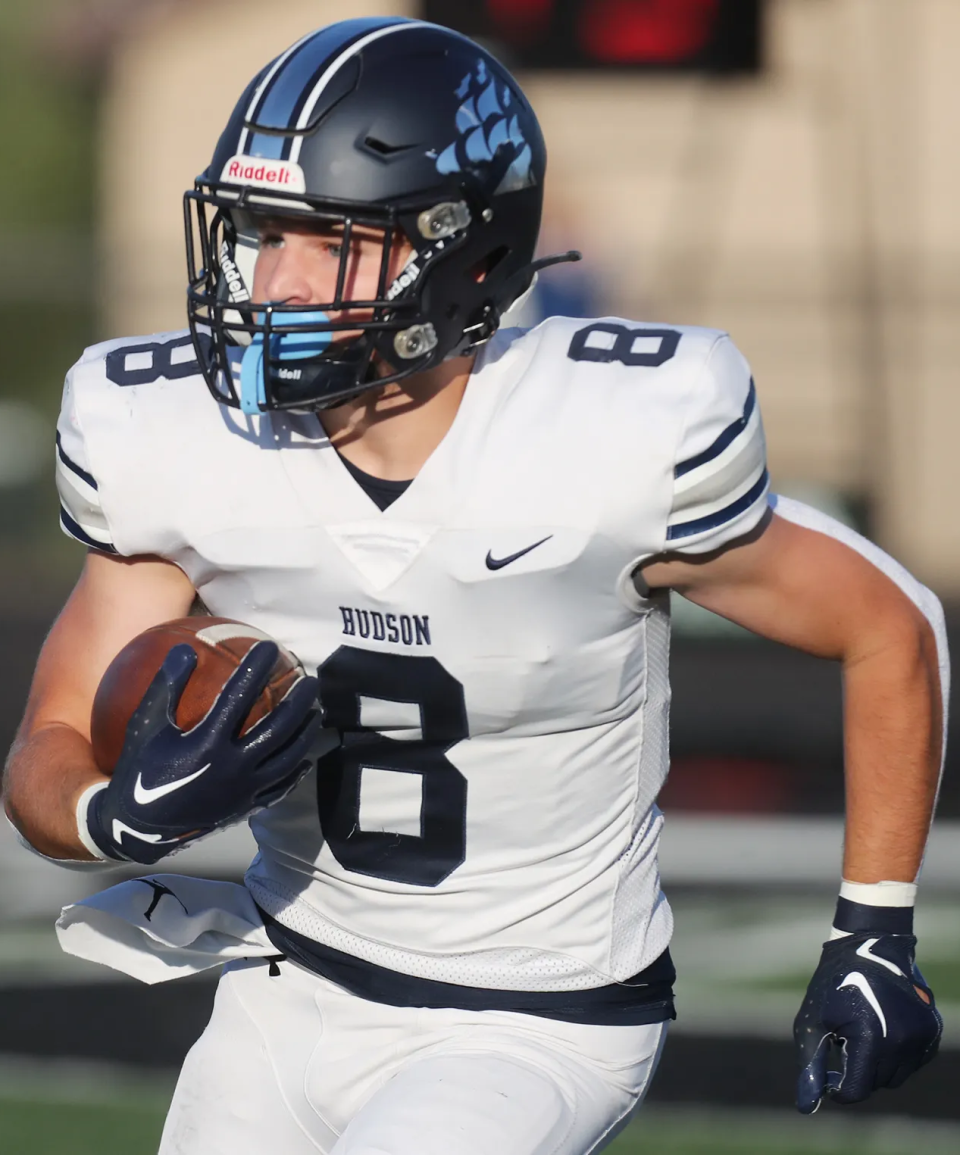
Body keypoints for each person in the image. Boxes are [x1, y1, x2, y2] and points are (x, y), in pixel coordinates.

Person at [2, 15, 946, 1154]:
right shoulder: (171, 435)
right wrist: (114, 815)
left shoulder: (608, 437)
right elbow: (49, 745)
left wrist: (874, 929)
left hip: (535, 1018)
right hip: (285, 988)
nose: (278, 281)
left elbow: (890, 628)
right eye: (261, 233)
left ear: (469, 253)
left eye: (334, 240)